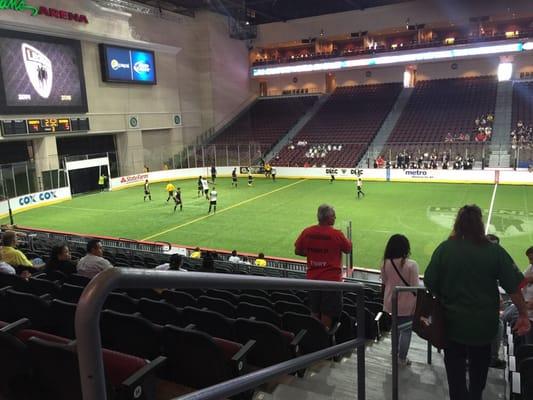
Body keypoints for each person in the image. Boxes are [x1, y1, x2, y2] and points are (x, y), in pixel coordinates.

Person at [424, 205, 530, 400]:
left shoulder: (445, 249)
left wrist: (444, 295)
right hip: (483, 327)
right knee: (478, 373)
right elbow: (514, 287)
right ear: (480, 225)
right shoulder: (494, 251)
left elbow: (429, 281)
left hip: (452, 324)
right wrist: (523, 314)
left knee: (455, 374)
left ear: (458, 223)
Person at [295, 204, 352, 329]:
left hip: (312, 280)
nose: (335, 217)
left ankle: (314, 338)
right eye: (333, 216)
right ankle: (323, 340)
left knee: (314, 311)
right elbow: (348, 249)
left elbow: (297, 250)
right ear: (328, 218)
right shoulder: (336, 234)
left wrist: (313, 253)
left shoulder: (307, 232)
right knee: (327, 314)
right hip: (331, 282)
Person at [381, 234, 419, 366]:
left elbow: (385, 282)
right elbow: (415, 287)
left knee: (395, 329)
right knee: (406, 331)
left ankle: (395, 354)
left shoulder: (386, 263)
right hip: (407, 305)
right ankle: (402, 358)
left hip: (391, 303)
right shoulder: (411, 265)